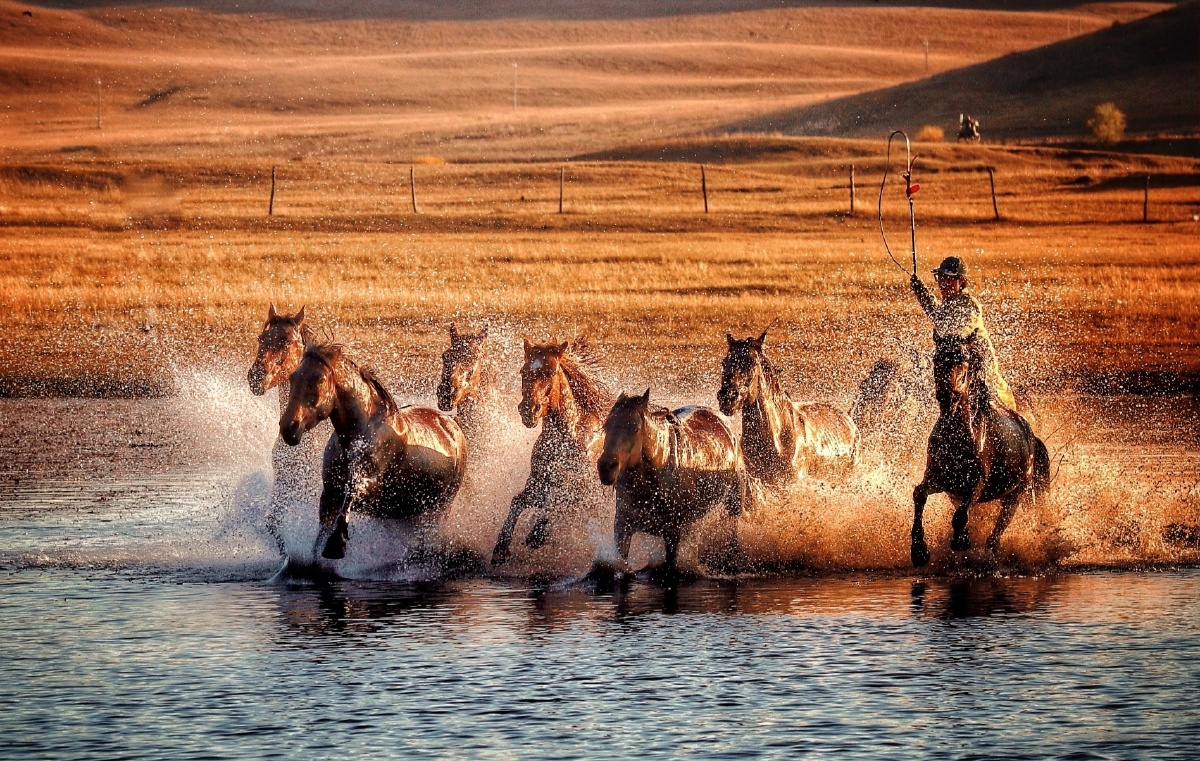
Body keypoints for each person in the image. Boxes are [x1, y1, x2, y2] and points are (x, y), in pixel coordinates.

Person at [911, 256, 1016, 410]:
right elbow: (939, 316)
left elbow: (947, 326)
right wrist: (921, 293)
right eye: (940, 278)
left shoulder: (970, 305)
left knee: (994, 401)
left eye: (948, 279)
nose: (942, 283)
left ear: (961, 281)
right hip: (958, 368)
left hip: (981, 370)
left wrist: (924, 296)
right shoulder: (947, 306)